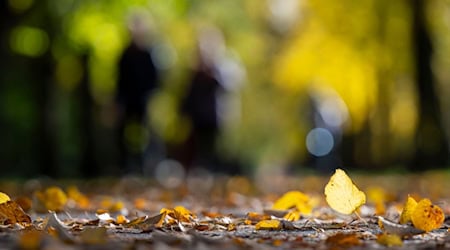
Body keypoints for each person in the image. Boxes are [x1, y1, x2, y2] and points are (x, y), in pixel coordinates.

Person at [116, 13, 160, 174]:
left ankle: (145, 164)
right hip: (127, 100)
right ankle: (127, 164)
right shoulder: (125, 54)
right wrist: (118, 101)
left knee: (145, 133)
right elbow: (119, 80)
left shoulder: (148, 54)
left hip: (143, 100)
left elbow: (154, 79)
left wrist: (151, 97)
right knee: (125, 133)